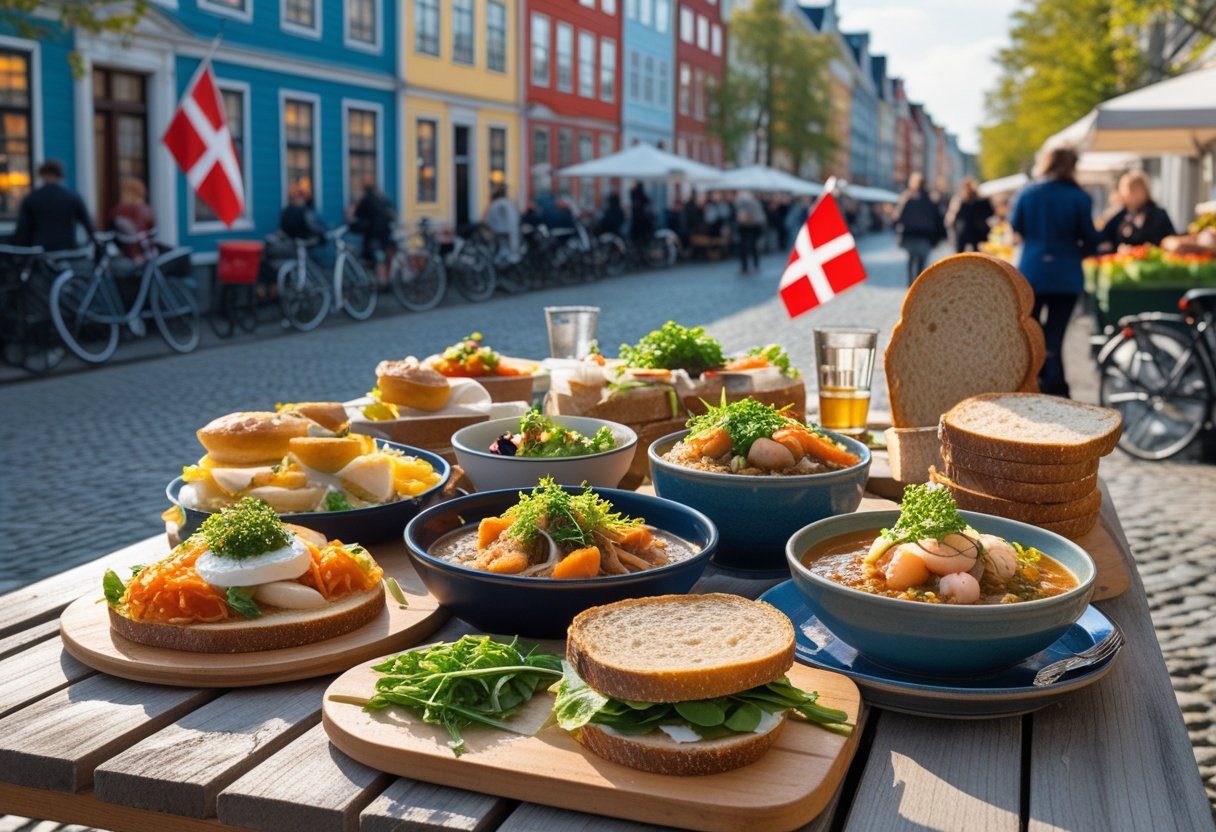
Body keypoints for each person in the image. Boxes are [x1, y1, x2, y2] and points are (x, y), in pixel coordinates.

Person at [1010, 146, 1101, 398]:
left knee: (1032, 334)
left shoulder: (1027, 193)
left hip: (1032, 271)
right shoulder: (1079, 197)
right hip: (1066, 274)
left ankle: (1034, 385)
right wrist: (1074, 252)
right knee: (1056, 336)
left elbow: (1016, 226)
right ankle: (1057, 388)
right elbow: (1090, 239)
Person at [12, 159, 95, 252]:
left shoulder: (32, 198)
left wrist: (19, 253)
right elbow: (88, 224)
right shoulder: (72, 197)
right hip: (67, 249)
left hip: (40, 250)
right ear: (60, 176)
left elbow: (22, 229)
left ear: (42, 175)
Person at [1099, 170, 1176, 251]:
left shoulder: (1158, 214)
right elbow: (1103, 237)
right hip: (1123, 261)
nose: (1130, 195)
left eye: (1134, 190)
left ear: (1144, 191)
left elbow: (1171, 240)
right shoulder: (1120, 214)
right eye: (1127, 190)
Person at [894, 172, 944, 284]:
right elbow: (938, 218)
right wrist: (938, 237)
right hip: (925, 235)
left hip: (910, 234)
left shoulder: (907, 197)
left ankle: (911, 285)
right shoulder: (930, 199)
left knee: (911, 260)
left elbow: (898, 217)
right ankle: (918, 286)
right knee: (921, 262)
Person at [349, 176, 394, 275]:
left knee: (377, 259)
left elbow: (357, 216)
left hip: (374, 235)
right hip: (386, 233)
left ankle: (381, 283)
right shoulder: (382, 199)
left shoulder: (366, 201)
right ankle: (387, 280)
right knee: (383, 257)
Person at [110, 177, 156, 261]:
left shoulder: (117, 209)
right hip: (143, 253)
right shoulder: (142, 209)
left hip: (122, 253)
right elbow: (141, 233)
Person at [945, 178, 994, 253]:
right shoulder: (959, 201)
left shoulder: (979, 201)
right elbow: (951, 217)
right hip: (964, 233)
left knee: (977, 255)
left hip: (976, 233)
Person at [482, 183, 522, 258]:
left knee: (501, 251)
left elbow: (487, 220)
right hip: (507, 232)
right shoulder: (507, 203)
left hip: (500, 232)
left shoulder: (499, 204)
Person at [734, 189, 765, 275]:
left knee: (744, 248)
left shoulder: (742, 202)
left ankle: (745, 267)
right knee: (754, 247)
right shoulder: (755, 201)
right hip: (756, 226)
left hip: (746, 226)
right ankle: (755, 265)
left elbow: (741, 216)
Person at [628, 181, 653, 248]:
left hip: (637, 220)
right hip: (641, 221)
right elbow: (648, 202)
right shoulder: (641, 196)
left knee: (636, 238)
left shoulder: (634, 195)